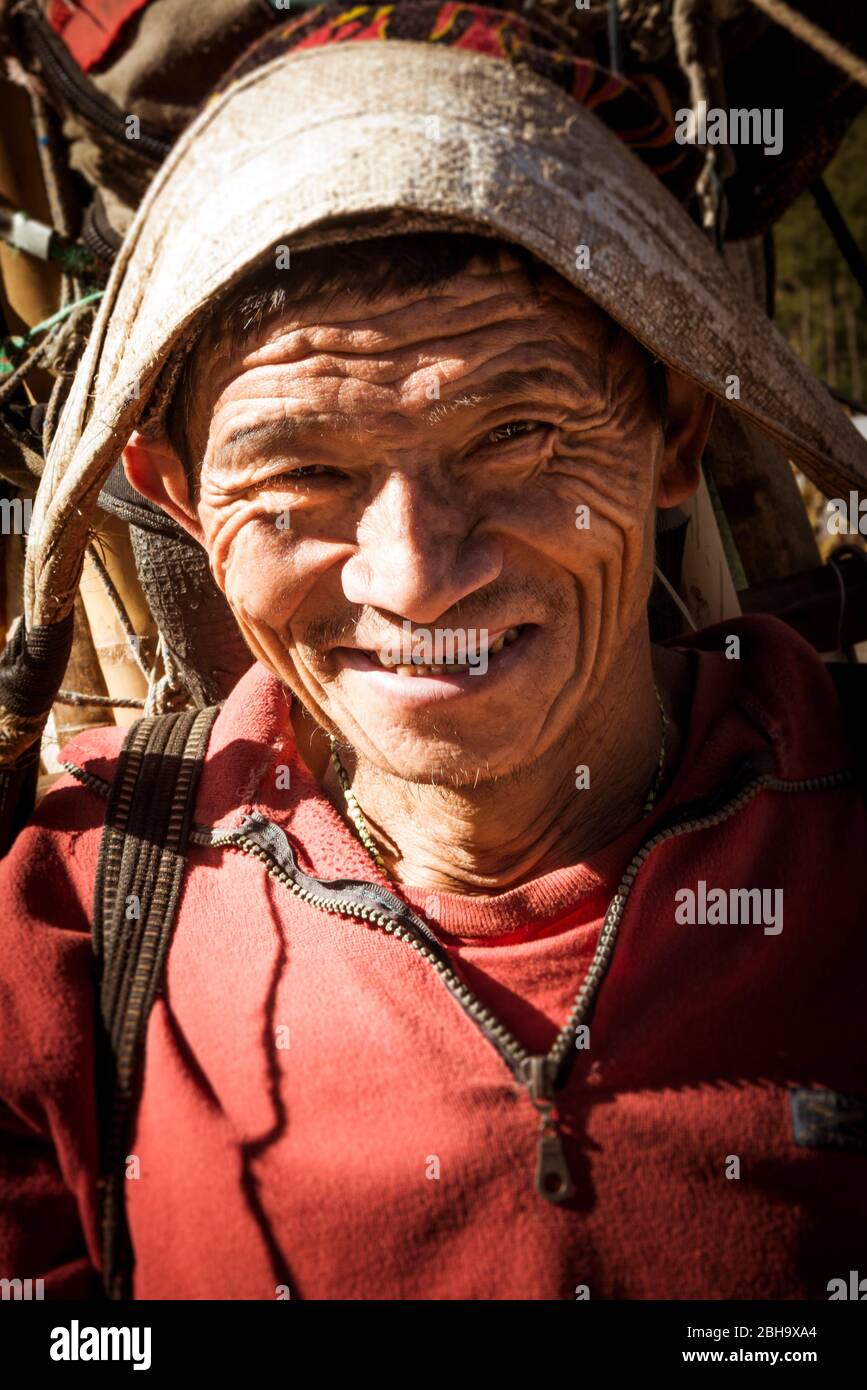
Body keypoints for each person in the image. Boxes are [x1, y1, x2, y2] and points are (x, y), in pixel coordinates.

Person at [1, 7, 866, 1301]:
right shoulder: (78, 914)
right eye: (302, 473)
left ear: (674, 433)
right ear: (183, 500)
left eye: (518, 433)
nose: (415, 574)